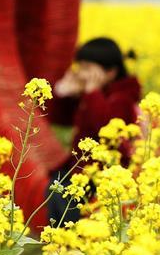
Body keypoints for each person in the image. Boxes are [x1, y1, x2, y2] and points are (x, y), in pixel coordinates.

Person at [45, 37, 141, 226]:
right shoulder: (93, 93)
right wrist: (63, 92)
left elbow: (104, 127)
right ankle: (61, 244)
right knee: (55, 187)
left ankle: (73, 243)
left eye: (87, 68)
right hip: (82, 169)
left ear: (111, 72)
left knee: (62, 193)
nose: (81, 73)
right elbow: (58, 118)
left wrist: (91, 92)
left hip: (107, 173)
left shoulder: (122, 98)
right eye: (79, 66)